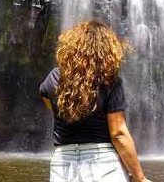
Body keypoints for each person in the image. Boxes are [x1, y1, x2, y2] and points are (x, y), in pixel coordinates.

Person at [40, 20, 152, 182]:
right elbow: (118, 133)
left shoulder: (54, 76)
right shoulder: (109, 81)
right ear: (107, 50)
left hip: (62, 163)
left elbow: (47, 101)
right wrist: (140, 178)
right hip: (101, 162)